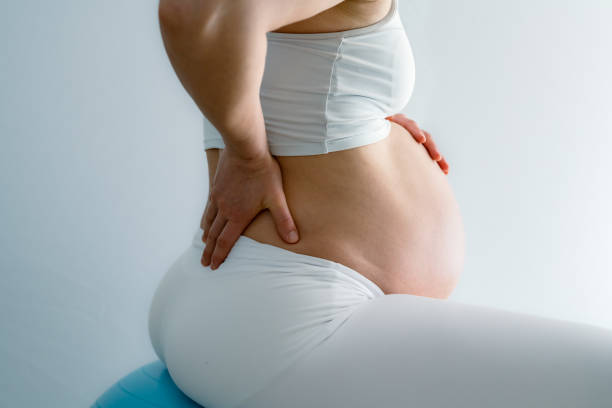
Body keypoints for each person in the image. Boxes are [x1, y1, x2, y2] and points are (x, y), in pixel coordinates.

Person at [148, 0, 612, 407]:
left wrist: (364, 113)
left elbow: (293, 65)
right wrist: (247, 154)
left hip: (234, 296)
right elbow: (191, 12)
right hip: (288, 322)